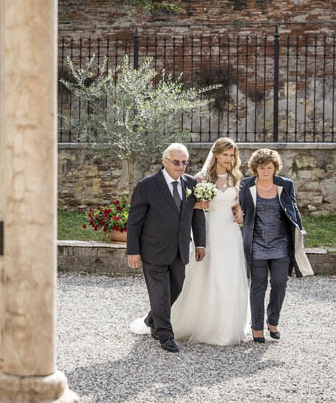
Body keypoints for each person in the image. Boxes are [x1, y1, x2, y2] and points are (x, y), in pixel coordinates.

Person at [165, 137, 250, 345]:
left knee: (229, 276)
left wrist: (240, 211)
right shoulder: (201, 178)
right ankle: (197, 323)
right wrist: (198, 205)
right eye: (225, 154)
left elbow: (238, 203)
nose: (229, 159)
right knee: (206, 274)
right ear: (216, 155)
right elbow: (188, 207)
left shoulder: (236, 177)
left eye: (232, 155)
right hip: (210, 231)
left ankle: (227, 327)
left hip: (230, 233)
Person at [124, 143, 206, 353]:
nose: (181, 166)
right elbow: (134, 221)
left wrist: (200, 242)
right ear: (165, 161)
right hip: (153, 250)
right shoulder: (147, 185)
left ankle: (152, 319)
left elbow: (197, 216)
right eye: (177, 162)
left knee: (176, 288)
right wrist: (133, 251)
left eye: (184, 162)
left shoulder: (190, 183)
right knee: (160, 294)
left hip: (179, 249)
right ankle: (165, 335)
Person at [238, 148, 314, 344]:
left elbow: (293, 209)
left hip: (281, 243)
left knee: (280, 283)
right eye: (261, 167)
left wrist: (299, 232)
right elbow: (237, 208)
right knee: (258, 287)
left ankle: (273, 321)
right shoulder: (246, 185)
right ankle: (256, 327)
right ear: (255, 168)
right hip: (256, 244)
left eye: (269, 168)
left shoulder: (285, 185)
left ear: (275, 168)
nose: (265, 171)